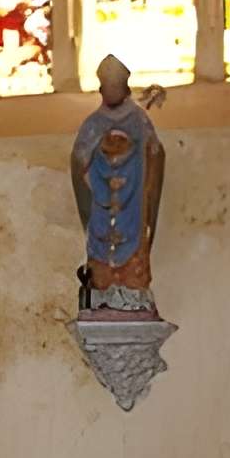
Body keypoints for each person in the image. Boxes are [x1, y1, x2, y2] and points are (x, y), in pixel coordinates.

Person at [70, 55, 166, 315]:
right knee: (101, 267)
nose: (111, 91)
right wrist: (96, 165)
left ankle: (132, 291)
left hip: (132, 211)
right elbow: (79, 162)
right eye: (107, 87)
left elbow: (155, 156)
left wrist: (144, 153)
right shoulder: (92, 124)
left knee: (133, 265)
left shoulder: (139, 120)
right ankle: (103, 290)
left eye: (116, 86)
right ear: (101, 90)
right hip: (102, 213)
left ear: (124, 88)